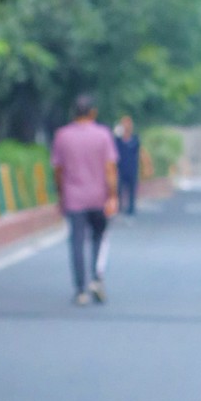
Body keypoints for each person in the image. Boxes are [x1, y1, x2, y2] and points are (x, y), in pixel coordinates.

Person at [51, 93, 118, 305]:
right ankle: (96, 278)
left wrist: (61, 194)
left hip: (73, 198)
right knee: (99, 236)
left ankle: (80, 290)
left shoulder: (62, 136)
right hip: (98, 197)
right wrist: (112, 196)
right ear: (93, 113)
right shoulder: (103, 135)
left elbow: (58, 170)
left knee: (77, 242)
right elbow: (110, 169)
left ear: (74, 113)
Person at [113, 114, 141, 220]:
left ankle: (131, 209)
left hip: (132, 168)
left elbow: (139, 153)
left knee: (132, 190)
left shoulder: (135, 139)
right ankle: (120, 208)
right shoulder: (118, 140)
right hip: (121, 168)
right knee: (119, 189)